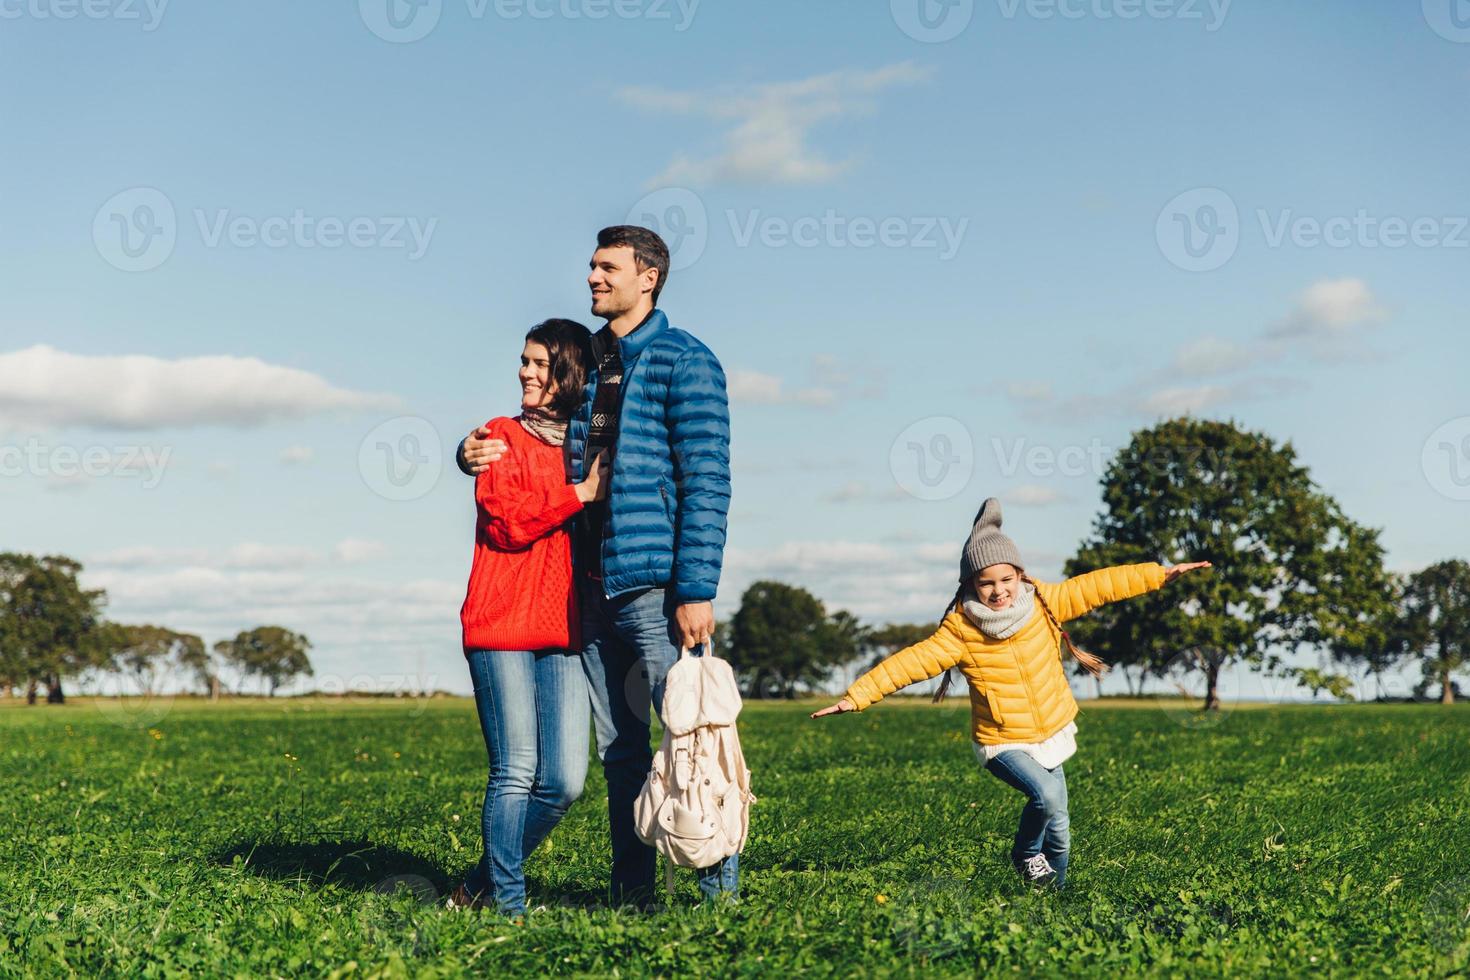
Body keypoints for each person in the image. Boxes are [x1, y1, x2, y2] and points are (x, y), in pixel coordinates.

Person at [456, 226, 736, 907]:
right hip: (588, 592)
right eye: (590, 266)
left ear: (649, 277)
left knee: (693, 736)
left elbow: (707, 478)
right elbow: (532, 437)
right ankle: (631, 890)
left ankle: (718, 896)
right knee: (621, 754)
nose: (592, 277)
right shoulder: (592, 361)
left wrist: (695, 589)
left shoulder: (684, 361)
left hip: (654, 587)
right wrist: (465, 451)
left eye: (606, 267)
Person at [812, 497, 1210, 889]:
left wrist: (1158, 575)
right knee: (1049, 796)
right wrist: (857, 695)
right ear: (970, 585)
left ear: (1020, 575)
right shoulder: (960, 631)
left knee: (1060, 825)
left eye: (1006, 579)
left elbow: (1099, 585)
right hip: (1003, 741)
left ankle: (1056, 896)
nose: (998, 590)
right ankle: (1023, 855)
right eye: (986, 583)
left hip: (1050, 729)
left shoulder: (1044, 603)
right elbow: (909, 664)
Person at [446, 318, 611, 918]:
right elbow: (506, 523)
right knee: (515, 770)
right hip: (500, 624)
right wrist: (577, 496)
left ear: (571, 374)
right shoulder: (496, 437)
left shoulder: (586, 446)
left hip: (565, 628)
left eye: (542, 364)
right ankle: (509, 907)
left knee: (564, 783)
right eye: (525, 361)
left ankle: (479, 884)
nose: (526, 372)